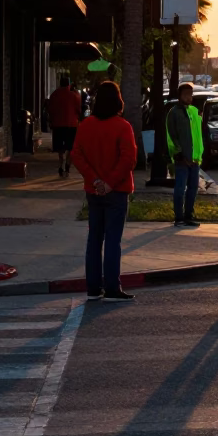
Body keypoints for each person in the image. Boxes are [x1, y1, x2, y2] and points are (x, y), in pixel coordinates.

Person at [70, 81, 137, 302]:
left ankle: (93, 287)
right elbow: (128, 158)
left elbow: (76, 155)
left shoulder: (86, 125)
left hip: (93, 190)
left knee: (94, 238)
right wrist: (109, 182)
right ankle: (111, 287)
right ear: (118, 100)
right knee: (113, 240)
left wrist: (95, 179)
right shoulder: (122, 126)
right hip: (116, 191)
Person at [166, 83, 204, 227]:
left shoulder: (194, 111)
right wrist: (179, 154)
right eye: (186, 94)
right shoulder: (174, 113)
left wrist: (199, 154)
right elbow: (171, 136)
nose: (189, 97)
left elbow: (198, 135)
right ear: (180, 96)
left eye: (191, 94)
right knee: (180, 188)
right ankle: (179, 217)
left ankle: (189, 216)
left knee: (193, 189)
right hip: (182, 159)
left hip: (195, 159)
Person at [46, 74, 81, 178]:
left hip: (58, 125)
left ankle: (61, 165)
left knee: (60, 148)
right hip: (71, 124)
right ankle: (67, 167)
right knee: (70, 147)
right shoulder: (74, 95)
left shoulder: (54, 94)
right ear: (69, 84)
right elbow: (78, 110)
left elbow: (50, 110)